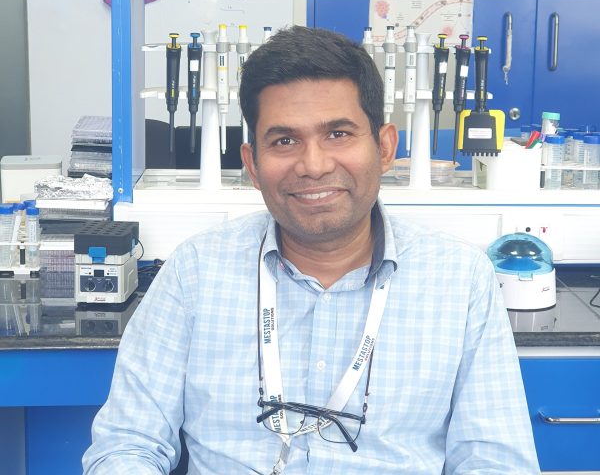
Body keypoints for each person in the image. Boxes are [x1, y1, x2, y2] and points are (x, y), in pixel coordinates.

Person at [83, 25, 540, 474]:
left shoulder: (460, 279)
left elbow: (494, 461)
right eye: (284, 141)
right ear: (252, 165)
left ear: (384, 147)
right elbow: (128, 443)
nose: (313, 165)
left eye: (338, 134)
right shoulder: (196, 271)